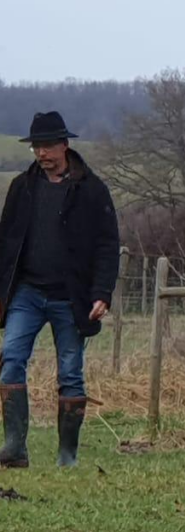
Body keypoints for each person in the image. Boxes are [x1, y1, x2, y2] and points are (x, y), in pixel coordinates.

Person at [0, 111, 120, 468]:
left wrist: (102, 292)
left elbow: (106, 245)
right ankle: (14, 450)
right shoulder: (22, 187)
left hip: (71, 297)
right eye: (37, 146)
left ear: (65, 145)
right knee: (10, 361)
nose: (42, 153)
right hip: (27, 293)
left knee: (70, 371)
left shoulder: (92, 190)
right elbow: (6, 243)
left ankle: (67, 457)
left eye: (48, 145)